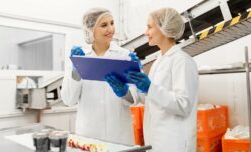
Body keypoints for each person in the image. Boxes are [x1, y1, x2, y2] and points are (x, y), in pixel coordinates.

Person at [61, 7, 139, 145]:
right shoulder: (80, 58)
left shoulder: (125, 56)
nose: (111, 29)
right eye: (104, 25)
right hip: (89, 134)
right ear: (90, 30)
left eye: (112, 23)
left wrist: (124, 91)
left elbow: (136, 98)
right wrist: (76, 71)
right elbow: (68, 100)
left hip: (119, 134)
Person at [125, 8, 199, 152]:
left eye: (149, 27)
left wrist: (149, 87)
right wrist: (128, 88)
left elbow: (183, 105)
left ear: (164, 29)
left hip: (175, 143)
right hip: (156, 141)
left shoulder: (182, 61)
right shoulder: (159, 61)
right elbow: (152, 98)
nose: (146, 32)